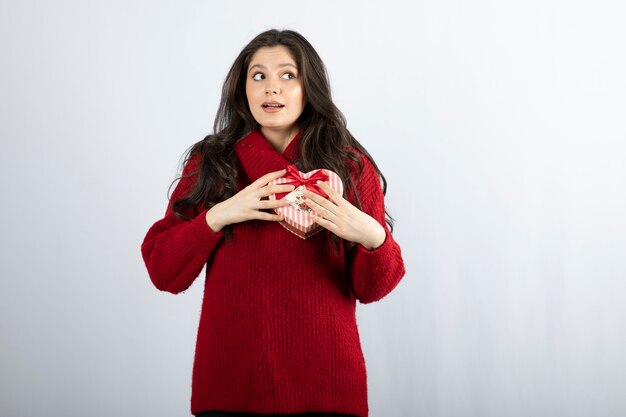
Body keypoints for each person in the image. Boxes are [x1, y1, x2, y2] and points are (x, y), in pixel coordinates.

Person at [141, 29, 406, 417]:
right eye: (258, 76)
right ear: (242, 88)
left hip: (328, 388)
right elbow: (164, 271)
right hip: (230, 388)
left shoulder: (347, 166)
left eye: (288, 75)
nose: (272, 89)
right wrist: (219, 215)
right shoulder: (213, 162)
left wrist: (371, 235)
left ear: (309, 86)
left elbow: (373, 288)